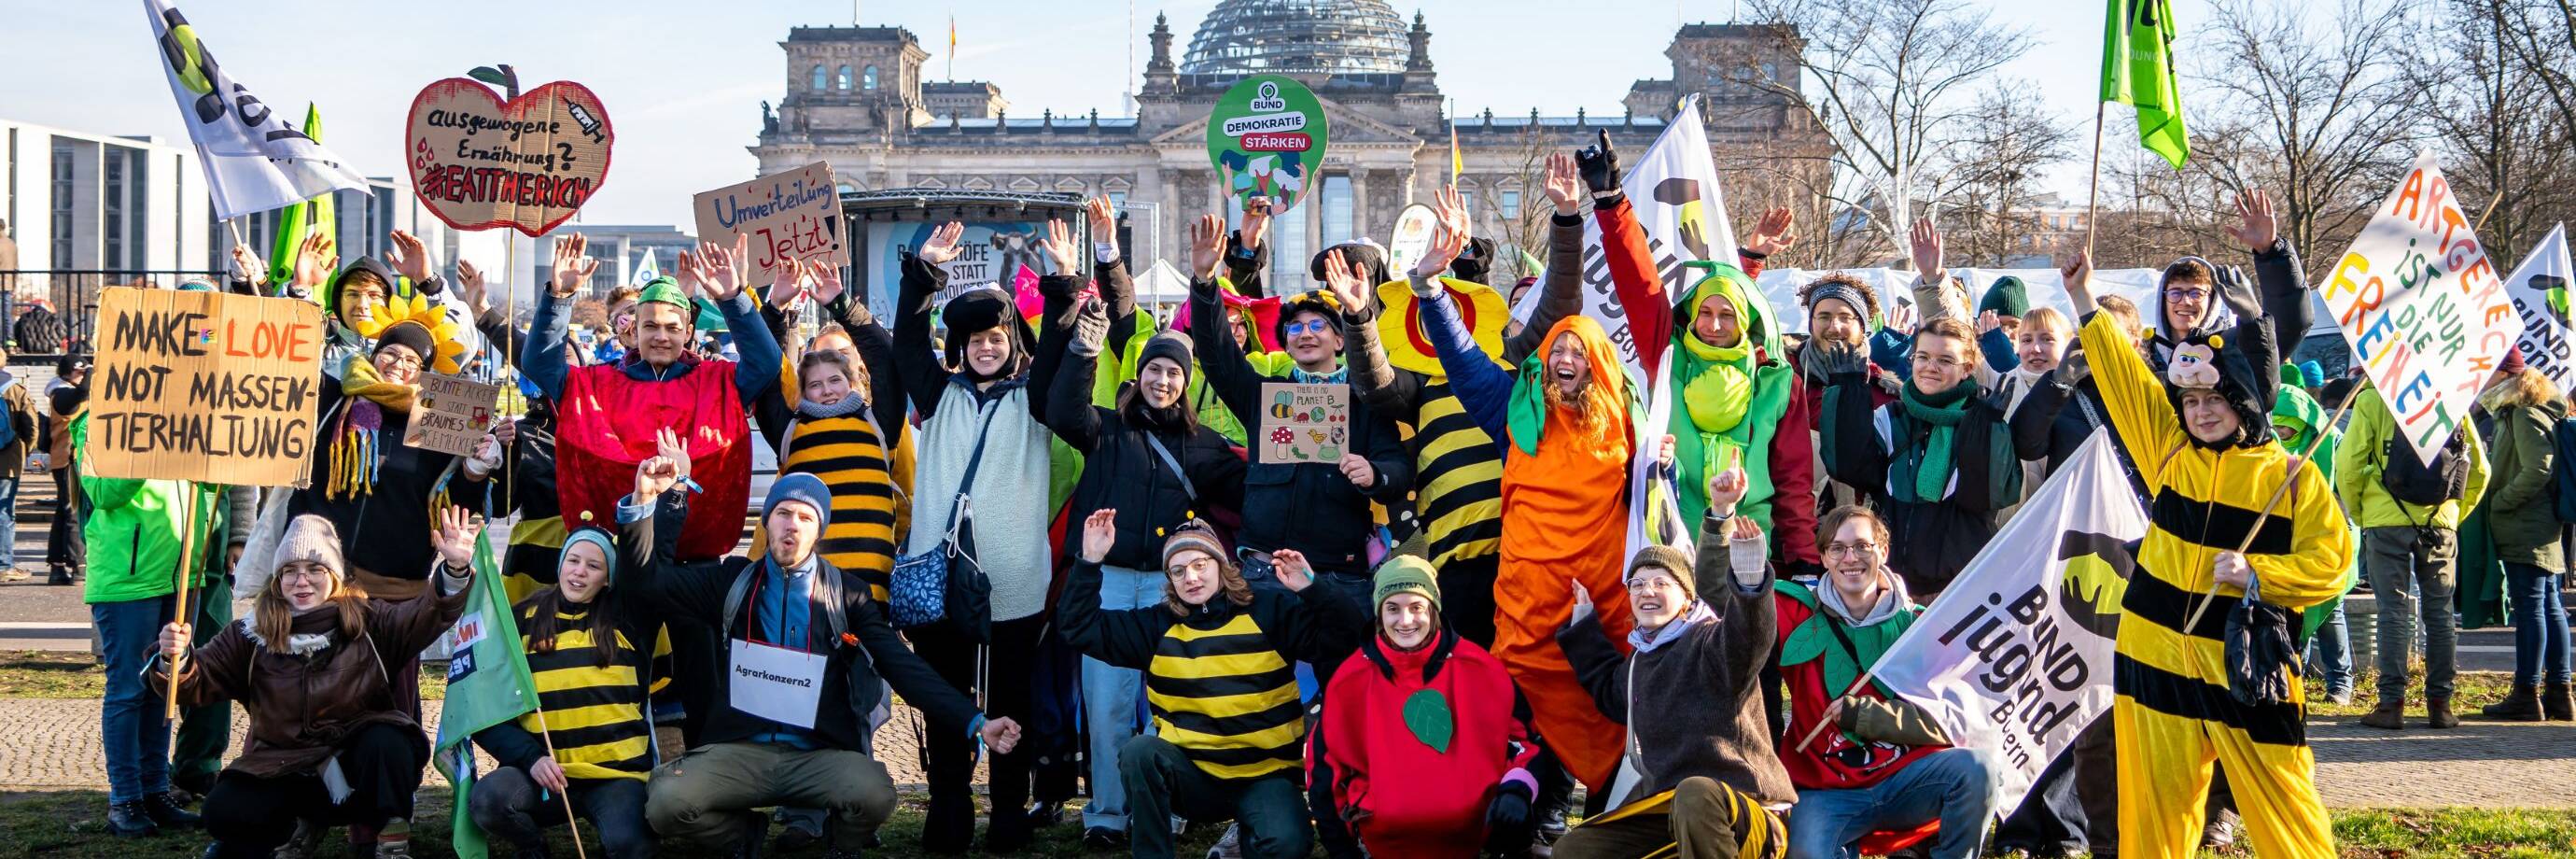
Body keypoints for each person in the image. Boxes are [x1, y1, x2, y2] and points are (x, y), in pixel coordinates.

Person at [2062, 251, 2349, 859]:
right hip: (2154, 661)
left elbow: (2335, 564)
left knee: (2287, 808)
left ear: (2242, 401)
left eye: (2213, 401)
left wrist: (2260, 575)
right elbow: (2128, 385)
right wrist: (2085, 301)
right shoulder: (2169, 452)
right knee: (2155, 819)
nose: (2200, 412)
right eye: (2191, 403)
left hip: (2248, 671)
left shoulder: (2291, 479)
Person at [620, 433, 1021, 858]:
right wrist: (657, 498)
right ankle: (742, 838)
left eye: (805, 518)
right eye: (782, 513)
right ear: (767, 522)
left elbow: (902, 666)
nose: (791, 524)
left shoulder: (848, 596)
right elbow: (647, 583)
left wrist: (975, 722)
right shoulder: (732, 582)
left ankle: (836, 846)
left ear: (819, 531)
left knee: (875, 793)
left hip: (817, 756)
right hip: (740, 751)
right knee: (665, 803)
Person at [1408, 208, 1652, 796]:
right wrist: (1429, 290)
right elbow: (1464, 360)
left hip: (1604, 609)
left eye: (1578, 351)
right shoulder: (1516, 411)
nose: (1565, 359)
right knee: (1523, 725)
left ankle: (1606, 813)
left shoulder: (1631, 425)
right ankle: (1528, 810)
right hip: (1526, 611)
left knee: (1607, 722)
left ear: (1599, 366)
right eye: (1555, 349)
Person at [1049, 202, 1252, 849]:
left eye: (1174, 373)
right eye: (1155, 370)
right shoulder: (1105, 427)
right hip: (1109, 585)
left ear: (1185, 384)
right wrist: (1084, 342)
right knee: (1107, 712)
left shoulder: (1206, 448)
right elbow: (1061, 407)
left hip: (1174, 592)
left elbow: (1255, 489)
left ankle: (1162, 809)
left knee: (1170, 708)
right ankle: (1107, 816)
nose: (1164, 380)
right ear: (1140, 377)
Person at [1342, 152, 1589, 648]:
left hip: (1525, 554)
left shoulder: (1516, 363)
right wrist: (1359, 317)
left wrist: (1566, 219)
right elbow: (1372, 380)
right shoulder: (1421, 384)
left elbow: (1560, 303)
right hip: (1455, 563)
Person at [886, 219, 1076, 852]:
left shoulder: (1036, 400)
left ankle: (1008, 812)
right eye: (974, 340)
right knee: (946, 700)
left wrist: (1060, 280)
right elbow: (909, 340)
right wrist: (925, 273)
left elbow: (1055, 348)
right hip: (940, 579)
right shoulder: (939, 396)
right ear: (961, 348)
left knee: (1010, 702)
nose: (986, 348)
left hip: (1013, 579)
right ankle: (948, 805)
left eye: (996, 338)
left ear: (1010, 343)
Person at [154, 511, 481, 858]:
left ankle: (389, 832)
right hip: (284, 767)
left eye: (314, 570)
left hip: (358, 769)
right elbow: (196, 680)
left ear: (335, 576)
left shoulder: (370, 621)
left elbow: (427, 614)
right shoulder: (250, 634)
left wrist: (455, 570)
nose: (302, 581)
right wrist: (175, 657)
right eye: (290, 571)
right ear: (277, 579)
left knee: (391, 741)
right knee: (222, 812)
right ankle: (292, 829)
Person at [1056, 512, 1365, 859]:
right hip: (1194, 779)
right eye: (1178, 570)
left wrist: (1313, 588)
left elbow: (1347, 637)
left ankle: (1254, 833)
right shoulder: (1156, 626)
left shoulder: (1269, 609)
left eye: (1200, 564)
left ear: (1221, 565)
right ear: (1170, 579)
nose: (1191, 577)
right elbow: (1077, 628)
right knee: (1140, 753)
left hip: (1265, 776)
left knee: (1286, 843)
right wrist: (1091, 561)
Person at [1582, 130, 1817, 573]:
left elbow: (1794, 481)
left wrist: (1804, 561)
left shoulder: (1777, 383)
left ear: (1745, 323)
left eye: (1727, 316)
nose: (1712, 324)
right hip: (1670, 545)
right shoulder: (1668, 357)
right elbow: (1639, 283)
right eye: (1704, 312)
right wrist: (1612, 202)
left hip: (1750, 547)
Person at [1185, 213, 1410, 633]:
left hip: (1338, 576)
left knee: (1340, 687)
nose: (1305, 334)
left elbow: (1397, 469)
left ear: (1341, 340)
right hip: (1264, 571)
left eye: (1318, 326)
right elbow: (1217, 353)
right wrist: (1204, 283)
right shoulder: (1265, 394)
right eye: (1295, 327)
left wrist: (1374, 473)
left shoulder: (1362, 402)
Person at [1552, 470, 1791, 859]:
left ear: (1685, 598)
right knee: (1576, 849)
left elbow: (1750, 638)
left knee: (1695, 793)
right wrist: (1583, 622)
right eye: (1638, 584)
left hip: (1750, 813)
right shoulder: (1640, 662)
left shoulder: (1711, 641)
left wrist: (1749, 578)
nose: (1647, 590)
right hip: (1672, 811)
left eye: (1661, 582)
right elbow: (1608, 688)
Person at [1774, 505, 1998, 859]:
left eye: (1863, 546)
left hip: (1907, 781)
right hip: (1826, 791)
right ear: (1823, 558)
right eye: (1838, 548)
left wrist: (1869, 717)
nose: (1851, 558)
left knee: (1976, 770)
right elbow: (1734, 613)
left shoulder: (1920, 628)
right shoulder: (1796, 613)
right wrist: (1723, 528)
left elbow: (1954, 721)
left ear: (1883, 550)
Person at [71, 397, 229, 837]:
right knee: (128, 689)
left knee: (165, 686)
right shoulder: (97, 419)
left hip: (180, 578)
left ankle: (155, 790)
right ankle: (125, 799)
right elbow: (103, 492)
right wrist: (148, 442)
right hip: (128, 579)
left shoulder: (188, 415)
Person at [1314, 556, 1542, 859]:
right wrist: (1343, 850)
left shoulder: (1483, 670)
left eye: (1416, 607)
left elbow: (1527, 745)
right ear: (1378, 613)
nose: (1405, 621)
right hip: (1383, 844)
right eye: (1392, 608)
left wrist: (1517, 790)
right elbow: (1325, 769)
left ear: (1434, 608)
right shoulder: (1350, 680)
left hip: (1474, 841)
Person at [469, 525, 657, 859]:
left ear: (609, 578)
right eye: (573, 560)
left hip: (616, 777)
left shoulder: (628, 619)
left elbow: (643, 560)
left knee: (631, 847)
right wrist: (532, 757)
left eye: (594, 566)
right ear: (560, 565)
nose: (580, 572)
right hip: (544, 776)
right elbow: (486, 711)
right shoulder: (519, 622)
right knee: (488, 801)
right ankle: (533, 848)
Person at [1813, 314, 2021, 598]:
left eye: (1945, 360)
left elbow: (1986, 497)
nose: (1930, 367)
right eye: (1922, 357)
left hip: (1959, 587)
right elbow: (1848, 467)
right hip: (1892, 584)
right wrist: (1847, 390)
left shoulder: (1981, 419)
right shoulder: (1892, 416)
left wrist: (1988, 430)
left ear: (1967, 368)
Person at [2338, 377, 2488, 730]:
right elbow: (2480, 470)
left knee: (2392, 611)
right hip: (2440, 523)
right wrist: (2453, 514)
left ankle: (2391, 705)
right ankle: (2441, 705)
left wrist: (2362, 514)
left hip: (2383, 519)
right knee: (2440, 613)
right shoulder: (2451, 398)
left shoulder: (2373, 400)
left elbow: (2348, 463)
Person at [2471, 355, 2571, 721]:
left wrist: (2501, 501)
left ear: (2504, 375)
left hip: (2526, 523)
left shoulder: (2522, 413)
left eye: (2487, 371)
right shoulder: (2535, 409)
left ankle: (2526, 694)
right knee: (2549, 605)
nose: (2481, 379)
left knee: (2532, 607)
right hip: (2540, 522)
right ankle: (2560, 693)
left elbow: (2538, 468)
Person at [2273, 378, 2358, 707]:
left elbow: (2347, 489)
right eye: (2275, 430)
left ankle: (2341, 682)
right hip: (2287, 542)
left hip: (2329, 541)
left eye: (2288, 432)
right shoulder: (2266, 449)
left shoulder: (2331, 443)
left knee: (2330, 608)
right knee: (2292, 609)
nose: (2280, 438)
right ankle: (2298, 675)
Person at [1787, 274, 1898, 512]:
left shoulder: (1885, 393)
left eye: (1845, 317)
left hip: (1857, 528)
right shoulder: (1785, 379)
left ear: (1861, 325)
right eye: (1824, 317)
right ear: (1811, 323)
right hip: (1791, 522)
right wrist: (1753, 257)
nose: (1834, 327)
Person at [43, 354, 87, 585]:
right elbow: (79, 396)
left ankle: (57, 565)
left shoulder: (64, 390)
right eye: (79, 371)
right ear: (67, 373)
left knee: (64, 510)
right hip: (68, 459)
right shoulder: (60, 393)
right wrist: (92, 374)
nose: (83, 376)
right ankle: (77, 564)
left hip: (69, 458)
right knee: (74, 511)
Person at [0, 343, 38, 580]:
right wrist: (25, 449)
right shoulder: (15, 389)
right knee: (4, 512)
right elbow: (31, 427)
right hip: (7, 461)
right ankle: (4, 565)